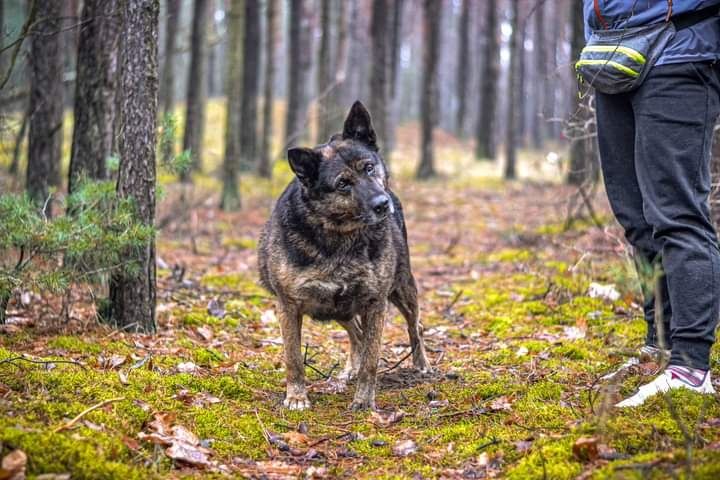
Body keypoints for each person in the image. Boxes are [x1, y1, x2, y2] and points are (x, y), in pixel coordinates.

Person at [583, 0, 720, 407]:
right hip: (613, 55)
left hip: (682, 53)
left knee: (677, 217)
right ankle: (658, 346)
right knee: (636, 218)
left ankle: (691, 367)